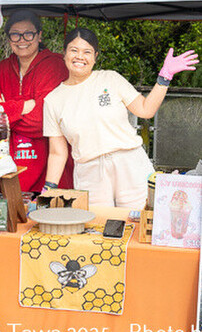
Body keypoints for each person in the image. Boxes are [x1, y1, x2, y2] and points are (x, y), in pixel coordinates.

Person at [43, 27, 199, 208]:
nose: (80, 57)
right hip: (89, 173)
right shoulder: (53, 100)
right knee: (97, 222)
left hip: (130, 163)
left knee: (140, 217)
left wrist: (164, 77)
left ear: (95, 56)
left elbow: (145, 110)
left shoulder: (110, 79)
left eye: (87, 52)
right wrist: (48, 188)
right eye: (74, 50)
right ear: (64, 53)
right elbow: (57, 152)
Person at [0, 10, 74, 192]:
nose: (22, 40)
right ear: (9, 39)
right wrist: (25, 105)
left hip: (50, 169)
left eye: (28, 34)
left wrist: (4, 109)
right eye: (15, 34)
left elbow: (43, 120)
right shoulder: (1, 69)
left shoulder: (55, 65)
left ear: (39, 36)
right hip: (6, 168)